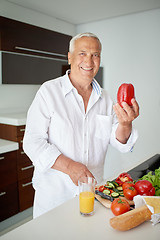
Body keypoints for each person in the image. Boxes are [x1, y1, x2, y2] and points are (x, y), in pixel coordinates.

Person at [23, 32, 139, 218]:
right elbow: (32, 142)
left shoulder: (106, 99)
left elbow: (120, 142)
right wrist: (70, 166)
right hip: (53, 200)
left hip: (92, 196)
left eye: (95, 54)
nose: (89, 61)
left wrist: (126, 123)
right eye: (82, 53)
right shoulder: (49, 92)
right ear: (69, 57)